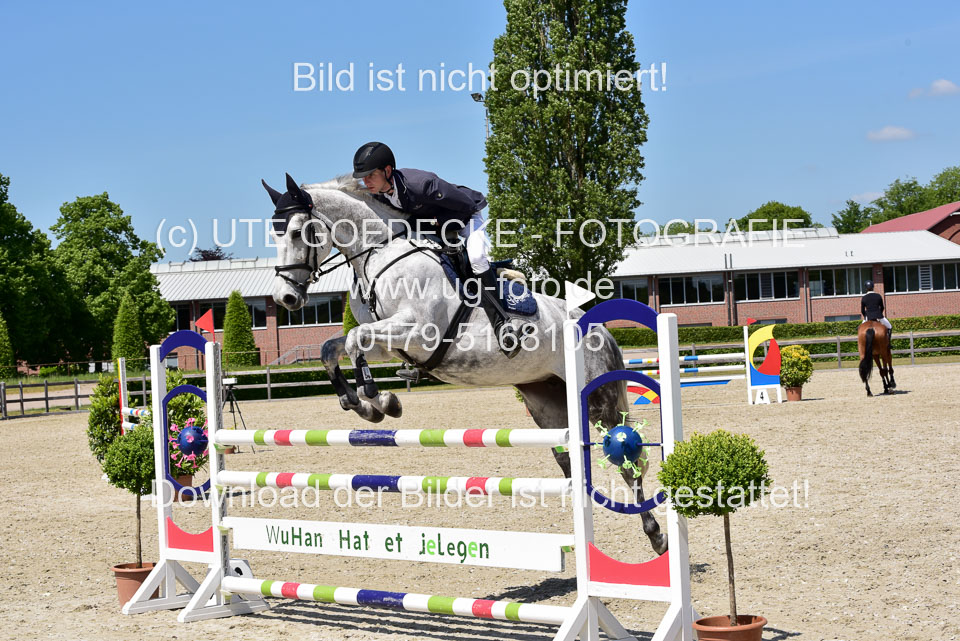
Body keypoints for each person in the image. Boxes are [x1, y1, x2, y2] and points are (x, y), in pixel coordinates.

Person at [351, 141, 526, 358]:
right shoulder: (379, 195)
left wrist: (434, 224)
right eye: (363, 177)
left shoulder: (421, 184)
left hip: (465, 217)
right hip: (434, 226)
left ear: (387, 171)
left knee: (477, 257)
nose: (366, 181)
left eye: (370, 175)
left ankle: (503, 326)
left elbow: (465, 205)